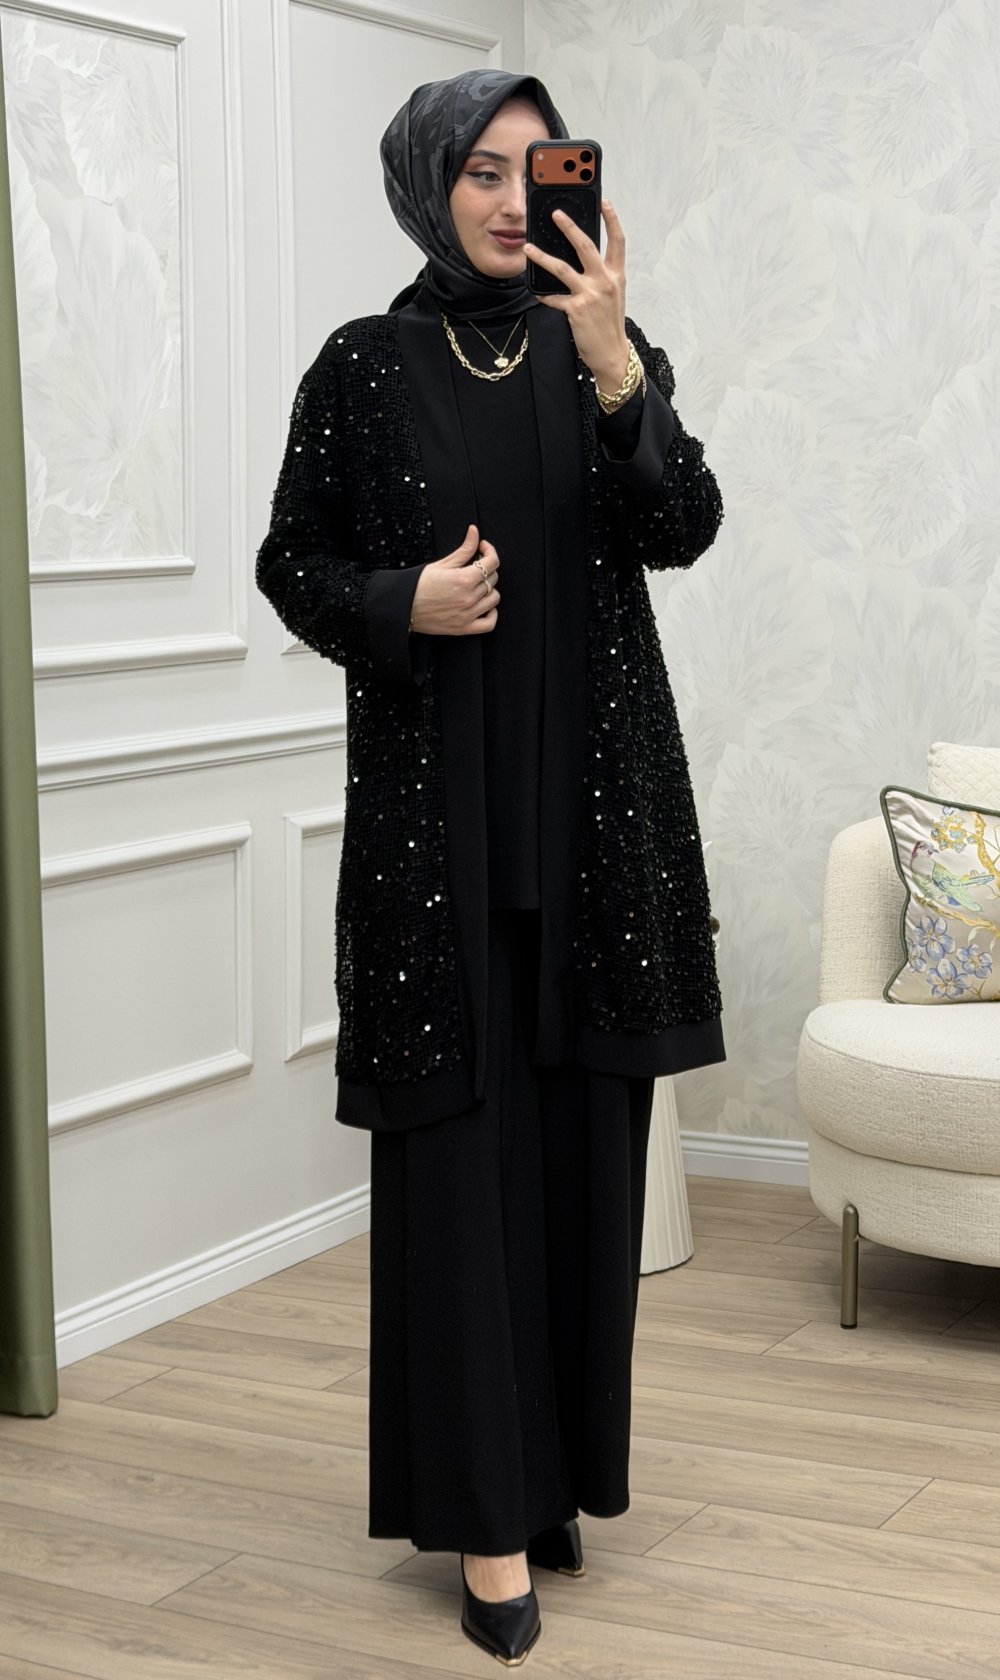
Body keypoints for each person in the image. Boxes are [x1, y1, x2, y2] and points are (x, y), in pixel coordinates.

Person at [256, 67, 726, 1668]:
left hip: (595, 841)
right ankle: (485, 1531)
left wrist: (618, 367)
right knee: (460, 1186)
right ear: (426, 186)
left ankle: (553, 1483)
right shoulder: (362, 366)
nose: (517, 197)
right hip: (437, 849)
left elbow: (683, 525)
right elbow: (293, 562)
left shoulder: (604, 348)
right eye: (482, 169)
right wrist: (404, 603)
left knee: (584, 1177)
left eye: (542, 167)